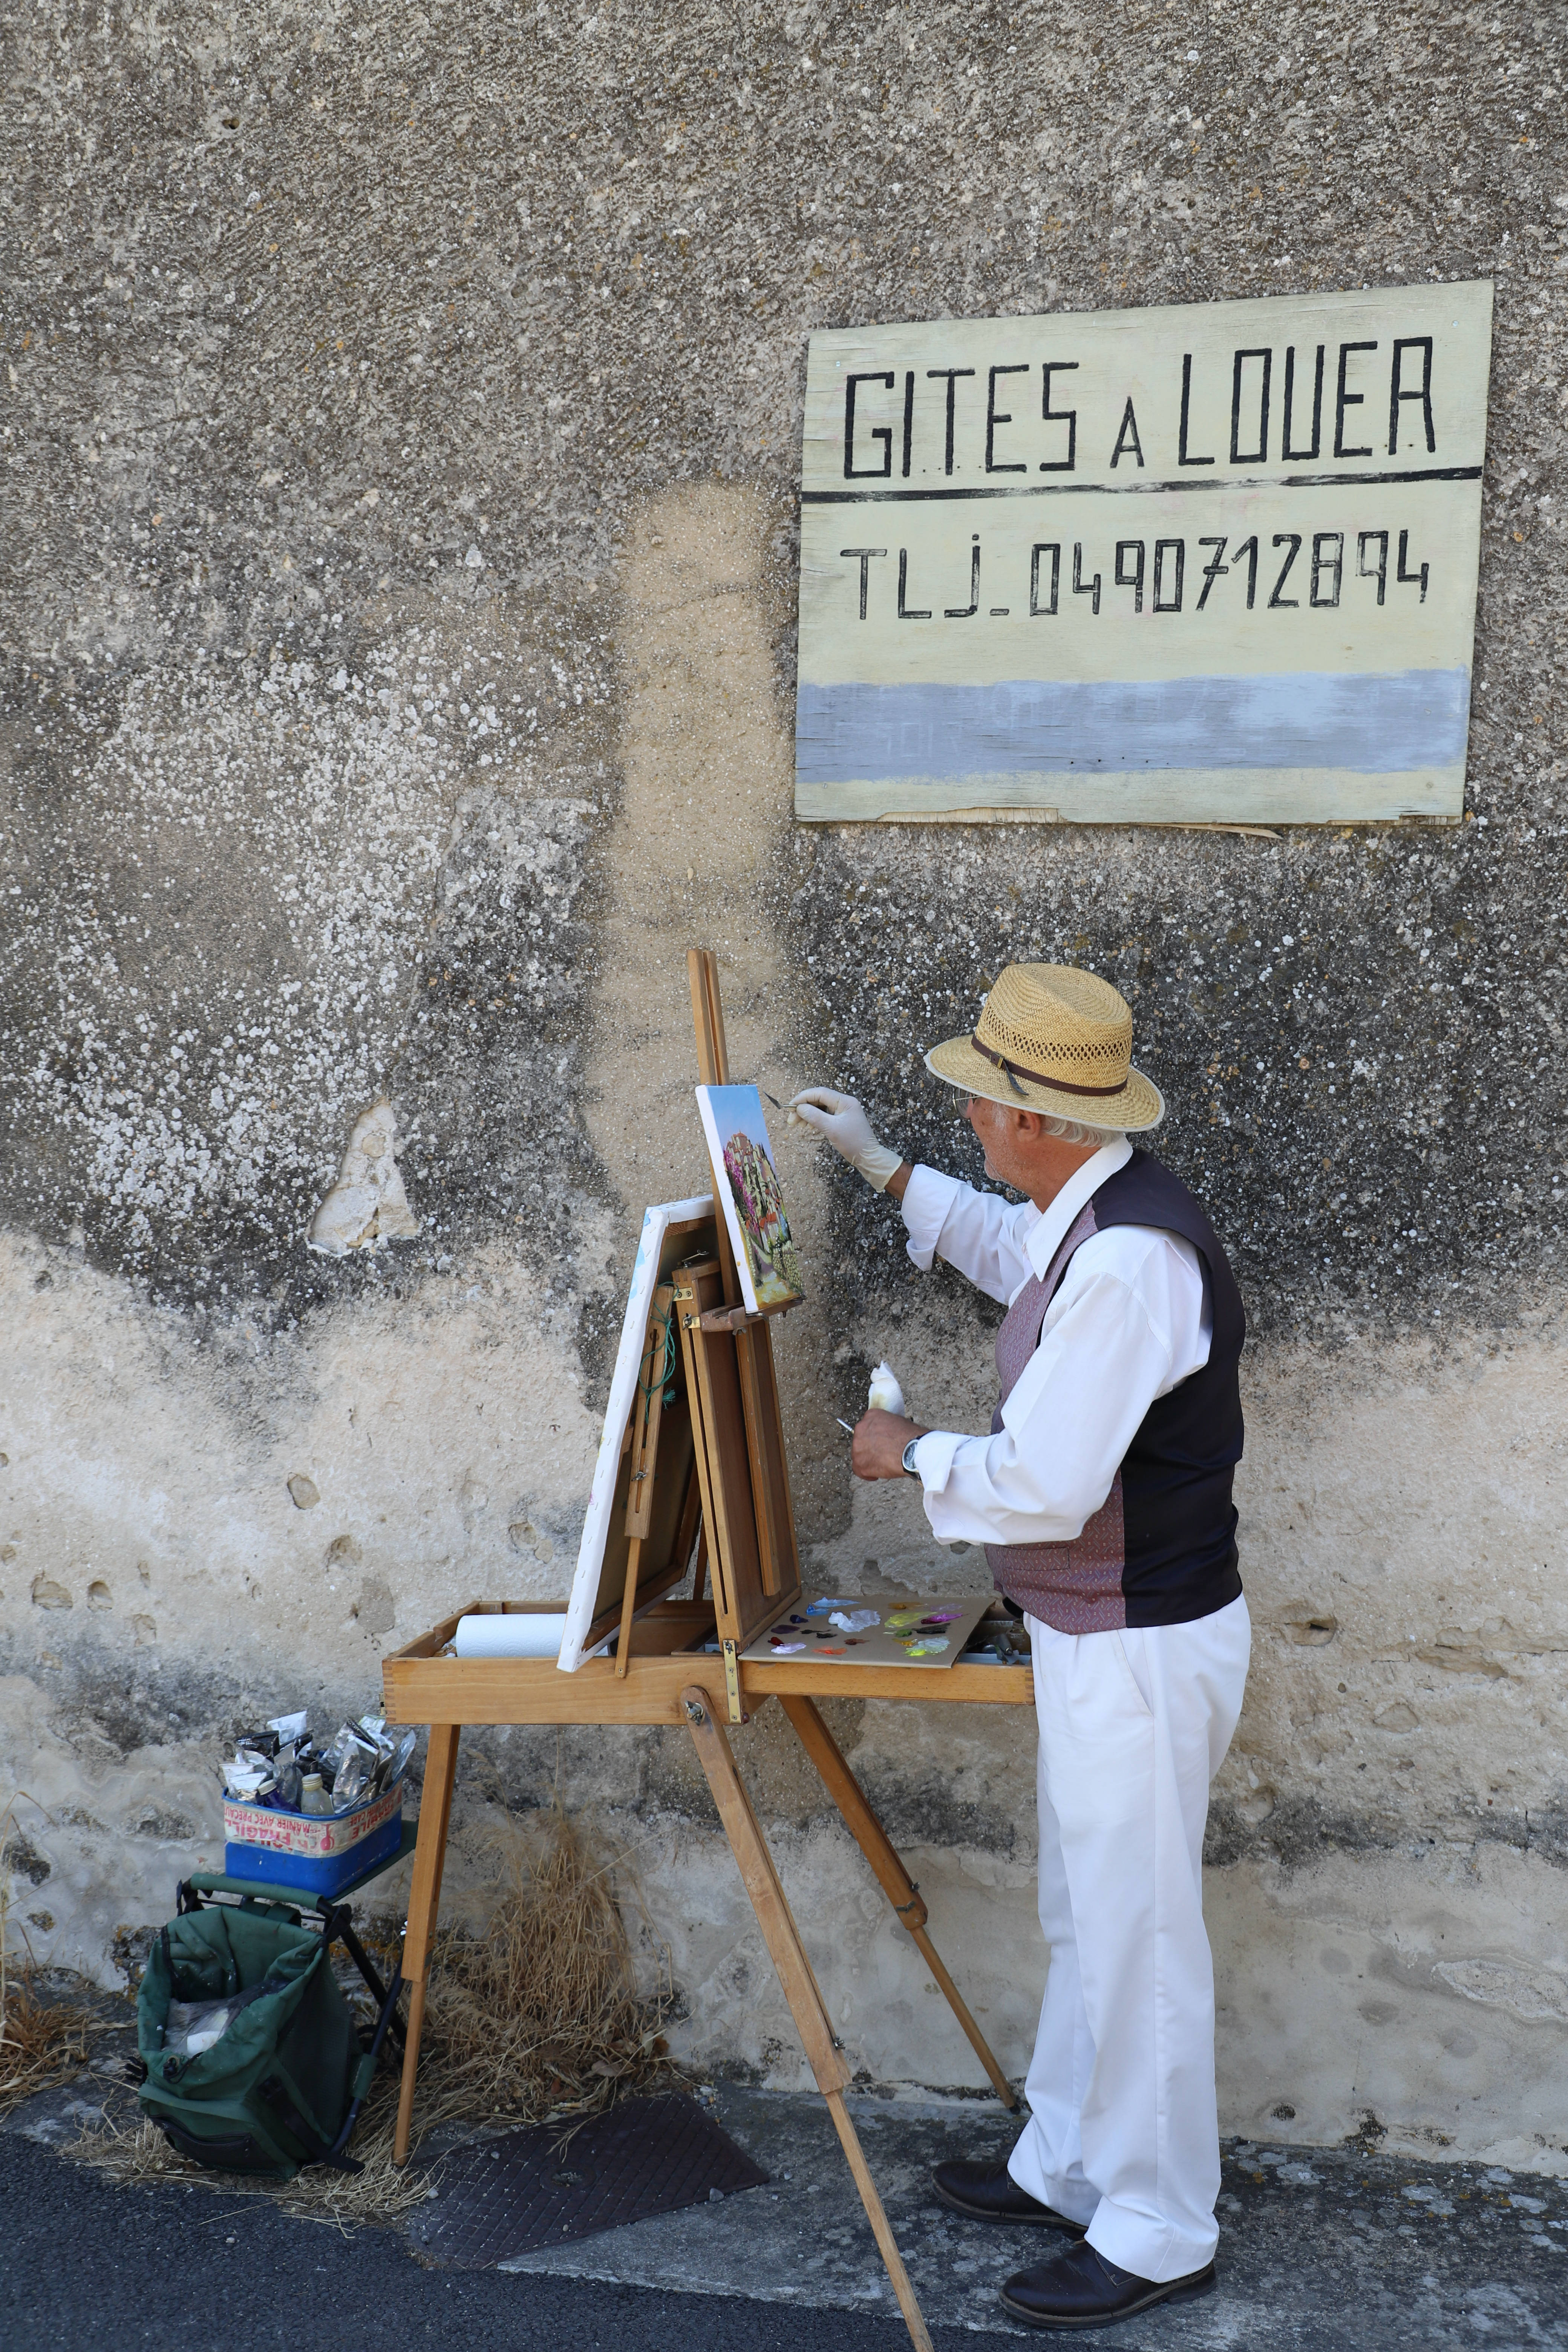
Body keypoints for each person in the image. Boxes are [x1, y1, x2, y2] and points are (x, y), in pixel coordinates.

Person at [791, 962, 1250, 2333]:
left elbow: (1047, 1482)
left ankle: (1161, 2225)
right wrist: (883, 1169)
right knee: (1085, 1913)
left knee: (1139, 1934)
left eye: (986, 1104)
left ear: (1040, 1120)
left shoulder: (1125, 1260)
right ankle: (1067, 2159)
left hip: (1140, 1642)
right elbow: (1013, 1254)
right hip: (1104, 1629)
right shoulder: (1093, 1213)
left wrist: (904, 1453)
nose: (977, 1120)